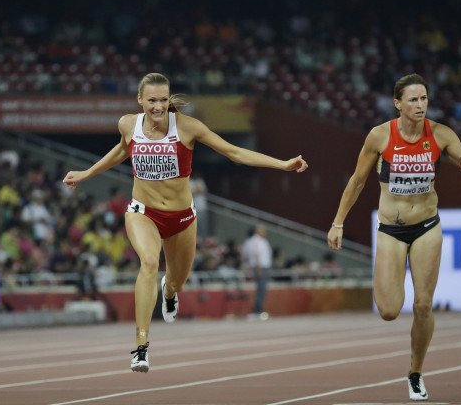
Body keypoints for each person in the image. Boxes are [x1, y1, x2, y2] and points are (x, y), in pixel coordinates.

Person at [63, 73, 308, 372]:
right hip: (143, 212)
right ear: (140, 100)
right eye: (151, 100)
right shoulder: (128, 124)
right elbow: (122, 149)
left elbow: (234, 152)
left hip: (182, 218)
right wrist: (87, 173)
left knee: (177, 280)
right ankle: (140, 348)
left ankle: (169, 292)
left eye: (163, 100)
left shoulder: (188, 127)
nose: (158, 107)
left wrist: (281, 164)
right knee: (149, 262)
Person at [326, 73, 461, 401]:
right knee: (388, 310)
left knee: (423, 305)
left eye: (424, 99)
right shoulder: (379, 136)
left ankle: (415, 373)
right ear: (397, 103)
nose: (420, 105)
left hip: (427, 225)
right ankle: (403, 338)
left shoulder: (440, 135)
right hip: (391, 229)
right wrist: (338, 222)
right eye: (413, 100)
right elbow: (357, 181)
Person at [244, 225, 272, 319]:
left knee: (262, 290)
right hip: (260, 267)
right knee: (261, 289)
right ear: (257, 231)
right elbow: (254, 254)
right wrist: (258, 267)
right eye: (262, 230)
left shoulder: (262, 240)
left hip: (263, 267)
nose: (265, 231)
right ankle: (257, 311)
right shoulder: (255, 240)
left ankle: (259, 310)